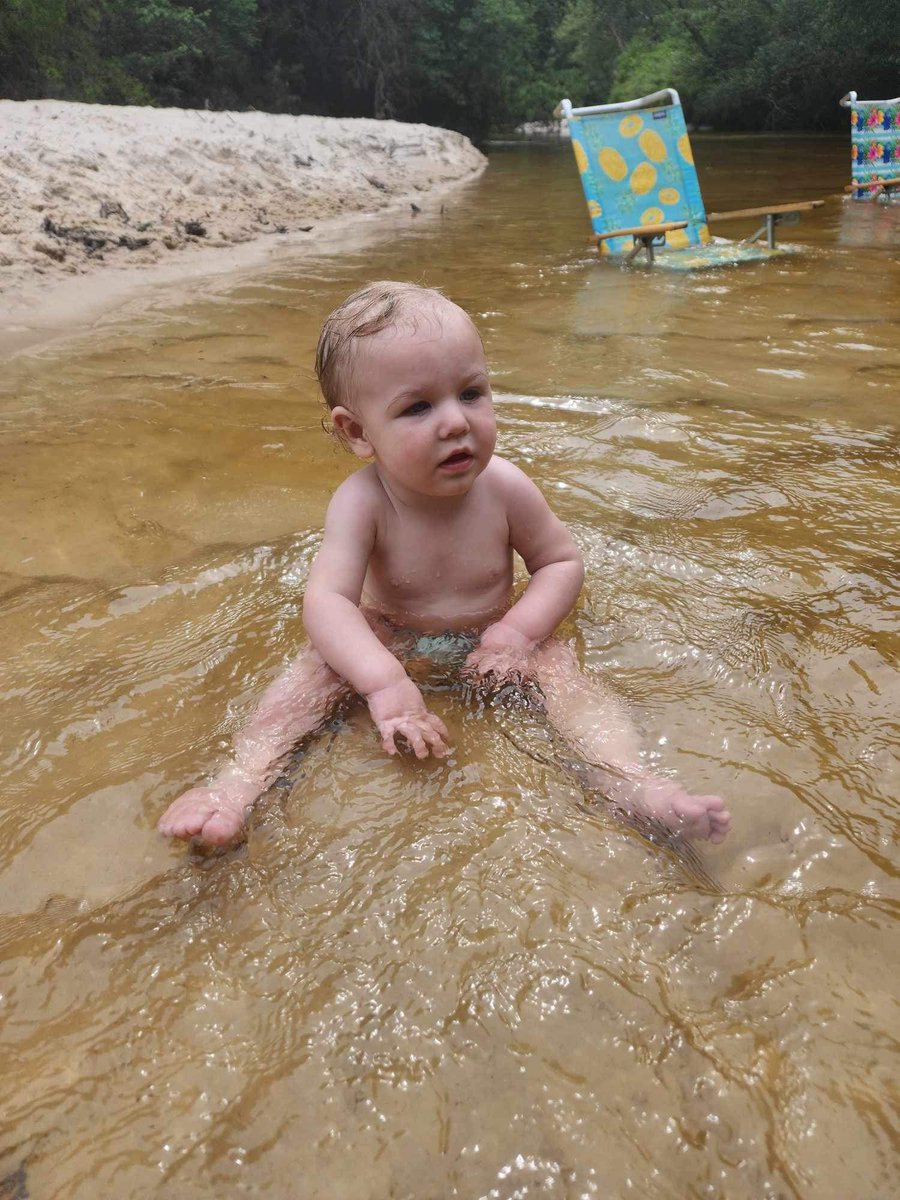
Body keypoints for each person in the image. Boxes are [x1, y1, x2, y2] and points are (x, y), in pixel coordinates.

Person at [159, 281, 731, 847]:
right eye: (418, 407)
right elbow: (327, 601)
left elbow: (559, 562)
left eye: (471, 393)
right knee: (309, 677)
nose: (455, 422)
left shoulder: (504, 486)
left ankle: (629, 779)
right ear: (358, 432)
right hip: (393, 638)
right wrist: (382, 681)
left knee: (564, 672)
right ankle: (236, 786)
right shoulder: (361, 505)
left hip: (496, 636)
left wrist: (517, 633)